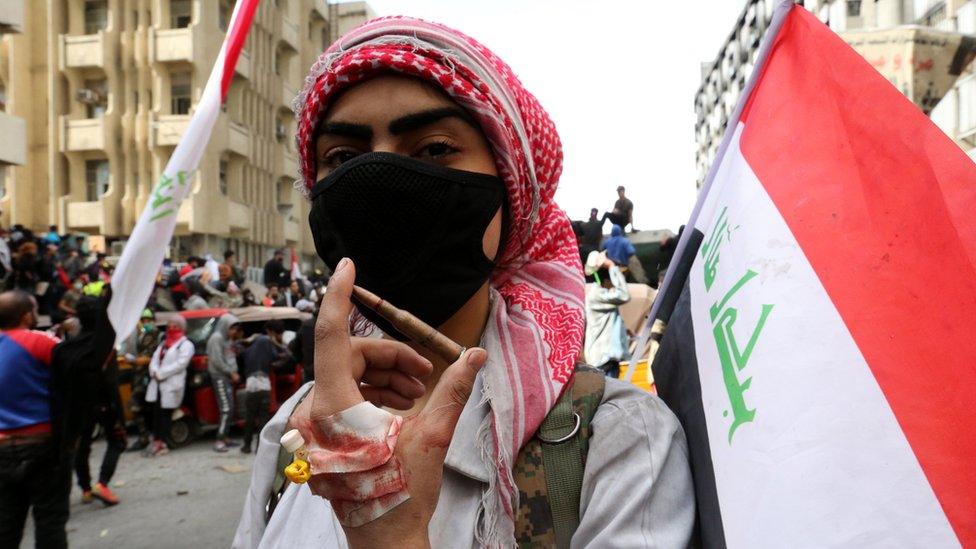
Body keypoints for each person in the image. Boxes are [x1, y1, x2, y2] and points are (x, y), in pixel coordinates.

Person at [235, 17, 693, 548]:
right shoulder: (293, 430)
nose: (380, 180)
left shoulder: (616, 440)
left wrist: (391, 532)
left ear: (510, 189)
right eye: (343, 158)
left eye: (433, 149)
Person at [0, 291, 67, 548]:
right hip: (42, 445)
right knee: (49, 522)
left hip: (3, 447)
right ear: (27, 315)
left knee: (6, 525)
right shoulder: (42, 342)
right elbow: (72, 372)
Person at [63, 296, 124, 507]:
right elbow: (109, 379)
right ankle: (102, 484)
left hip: (80, 405)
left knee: (84, 445)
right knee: (117, 441)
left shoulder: (68, 347)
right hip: (105, 402)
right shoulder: (105, 345)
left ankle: (86, 489)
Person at [144, 316, 194, 457]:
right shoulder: (163, 344)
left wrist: (161, 374)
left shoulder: (186, 345)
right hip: (158, 384)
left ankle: (163, 442)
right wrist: (154, 371)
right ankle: (156, 440)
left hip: (171, 384)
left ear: (181, 327)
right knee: (157, 414)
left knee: (166, 415)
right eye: (170, 325)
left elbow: (180, 364)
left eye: (175, 326)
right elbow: (154, 360)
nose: (172, 328)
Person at [239, 320, 287, 454]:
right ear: (272, 332)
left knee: (249, 417)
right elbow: (276, 356)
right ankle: (260, 448)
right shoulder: (267, 342)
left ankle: (246, 446)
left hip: (250, 384)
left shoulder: (252, 343)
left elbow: (243, 354)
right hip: (263, 383)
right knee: (263, 418)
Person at [583, 251, 631, 378]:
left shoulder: (600, 294)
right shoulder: (597, 295)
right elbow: (624, 295)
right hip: (602, 360)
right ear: (605, 279)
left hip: (605, 360)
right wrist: (611, 266)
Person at [121, 309, 160, 452]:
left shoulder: (153, 334)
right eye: (143, 320)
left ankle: (145, 437)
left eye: (148, 320)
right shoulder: (141, 334)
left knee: (136, 405)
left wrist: (135, 360)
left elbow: (150, 357)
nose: (145, 323)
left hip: (147, 376)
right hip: (139, 376)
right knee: (143, 407)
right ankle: (147, 436)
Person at [208, 314, 242, 453]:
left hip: (227, 378)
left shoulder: (227, 340)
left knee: (230, 408)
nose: (233, 331)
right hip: (220, 377)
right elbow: (217, 360)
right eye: (232, 328)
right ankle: (219, 440)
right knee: (226, 409)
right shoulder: (217, 338)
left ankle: (226, 437)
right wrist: (231, 372)